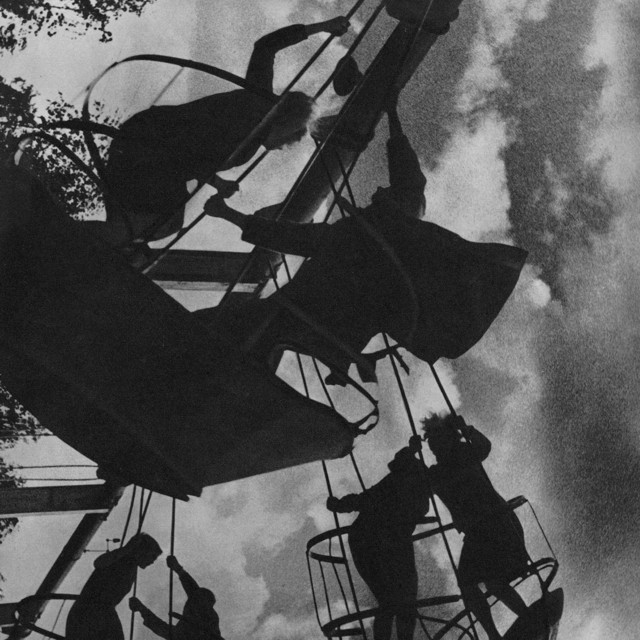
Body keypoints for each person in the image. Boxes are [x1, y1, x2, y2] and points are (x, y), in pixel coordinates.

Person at [194, 94, 527, 384]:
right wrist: (391, 113)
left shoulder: (354, 236)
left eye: (383, 191)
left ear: (387, 204)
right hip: (330, 329)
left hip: (308, 316)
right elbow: (408, 178)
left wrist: (227, 213)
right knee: (251, 339)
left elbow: (289, 237)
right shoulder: (398, 227)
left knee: (225, 327)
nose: (378, 188)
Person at [88, 17, 350, 252]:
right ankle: (80, 245)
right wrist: (218, 183)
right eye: (288, 140)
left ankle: (105, 243)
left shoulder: (257, 96)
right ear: (288, 123)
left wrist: (324, 27)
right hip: (152, 149)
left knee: (153, 221)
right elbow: (191, 157)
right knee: (159, 223)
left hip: (147, 134)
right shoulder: (250, 133)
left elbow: (266, 46)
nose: (281, 148)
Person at [422, 414, 529, 640]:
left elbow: (484, 446)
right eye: (430, 441)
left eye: (436, 439)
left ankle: (527, 617)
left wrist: (465, 429)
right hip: (477, 533)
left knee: (491, 581)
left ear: (449, 438)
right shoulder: (436, 474)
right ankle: (494, 635)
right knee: (471, 583)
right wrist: (411, 456)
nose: (433, 446)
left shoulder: (464, 453)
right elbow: (418, 488)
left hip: (497, 523)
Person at [326, 436, 430, 640]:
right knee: (396, 600)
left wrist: (338, 505)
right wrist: (338, 505)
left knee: (401, 600)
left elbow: (363, 499)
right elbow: (364, 500)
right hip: (371, 544)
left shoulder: (410, 484)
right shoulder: (397, 484)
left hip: (388, 542)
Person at [65, 533, 162, 640]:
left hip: (100, 612)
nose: (152, 561)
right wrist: (127, 549)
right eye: (153, 556)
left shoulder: (131, 567)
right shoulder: (120, 558)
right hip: (89, 612)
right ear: (142, 551)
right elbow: (98, 563)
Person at [129, 555, 222, 640]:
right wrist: (141, 609)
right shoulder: (201, 621)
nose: (191, 603)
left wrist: (142, 609)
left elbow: (162, 628)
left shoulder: (205, 620)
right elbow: (163, 628)